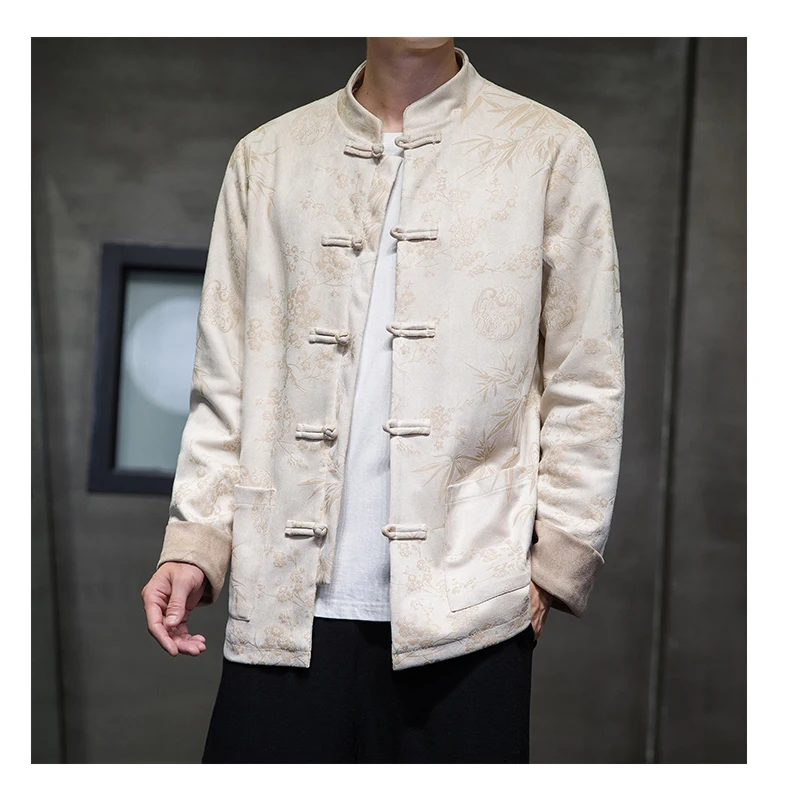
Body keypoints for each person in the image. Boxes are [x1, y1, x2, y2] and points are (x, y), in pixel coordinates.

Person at [141, 38, 625, 763]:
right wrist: (197, 542)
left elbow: (587, 374)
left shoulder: (549, 150)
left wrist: (555, 563)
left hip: (467, 609)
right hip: (282, 603)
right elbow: (224, 376)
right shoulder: (266, 158)